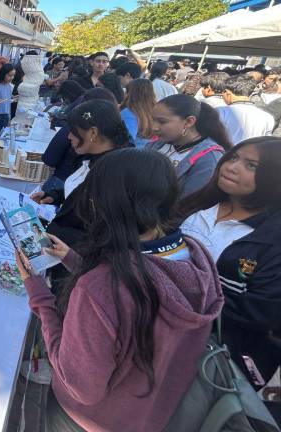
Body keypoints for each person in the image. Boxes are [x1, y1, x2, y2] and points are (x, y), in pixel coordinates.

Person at [15, 148, 223, 432]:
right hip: (152, 412)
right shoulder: (197, 255)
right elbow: (140, 295)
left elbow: (80, 385)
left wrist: (39, 295)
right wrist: (73, 259)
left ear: (105, 204)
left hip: (86, 420)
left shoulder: (99, 287)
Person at [177, 137, 281, 394]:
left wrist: (181, 299)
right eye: (233, 157)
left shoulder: (272, 239)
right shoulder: (199, 205)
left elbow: (263, 310)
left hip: (218, 359)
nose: (231, 167)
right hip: (168, 335)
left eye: (251, 165)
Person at [33, 98, 132, 248]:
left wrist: (52, 234)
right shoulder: (92, 157)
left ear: (93, 133)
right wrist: (55, 196)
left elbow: (99, 229)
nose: (69, 136)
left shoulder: (114, 174)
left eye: (73, 131)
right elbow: (80, 193)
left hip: (74, 253)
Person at [148, 94, 232, 197]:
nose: (154, 127)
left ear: (189, 122)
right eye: (153, 120)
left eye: (162, 121)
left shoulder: (209, 158)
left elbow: (188, 203)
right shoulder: (156, 144)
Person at [218, 75, 275, 145]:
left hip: (224, 154)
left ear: (227, 92)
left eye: (222, 93)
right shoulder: (267, 117)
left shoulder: (220, 112)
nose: (222, 96)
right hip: (252, 154)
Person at [120, 79, 156, 148]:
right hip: (151, 152)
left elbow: (126, 140)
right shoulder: (157, 110)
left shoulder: (129, 112)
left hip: (132, 153)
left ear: (130, 93)